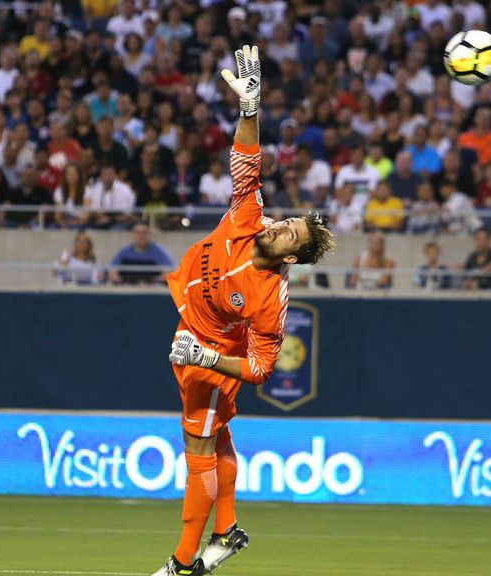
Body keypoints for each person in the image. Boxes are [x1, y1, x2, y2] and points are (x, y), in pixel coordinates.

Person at [156, 45, 336, 576]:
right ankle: (227, 530)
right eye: (290, 220)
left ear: (294, 256)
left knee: (198, 447)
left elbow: (259, 370)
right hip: (192, 331)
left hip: (208, 354)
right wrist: (251, 107)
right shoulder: (250, 216)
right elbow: (245, 162)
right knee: (220, 439)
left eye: (293, 234)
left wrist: (205, 357)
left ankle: (180, 562)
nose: (283, 226)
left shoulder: (271, 300)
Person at [109, 222, 174, 285]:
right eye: (137, 233)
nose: (141, 236)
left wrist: (152, 283)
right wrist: (123, 283)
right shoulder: (124, 252)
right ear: (133, 234)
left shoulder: (160, 252)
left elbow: (169, 272)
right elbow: (112, 272)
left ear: (150, 234)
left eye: (144, 233)